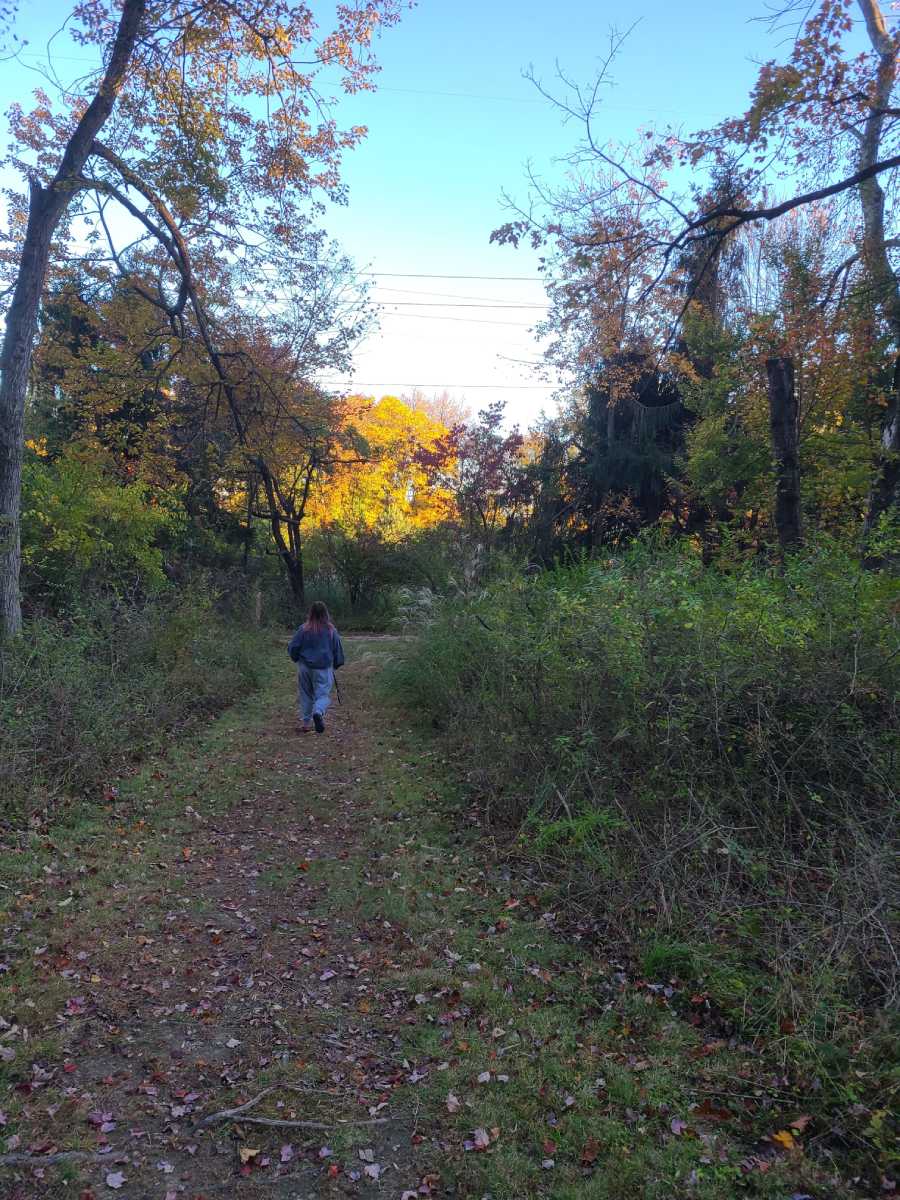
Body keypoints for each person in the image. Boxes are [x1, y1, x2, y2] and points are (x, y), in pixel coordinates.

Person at [287, 601, 345, 733]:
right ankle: (318, 712)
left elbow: (293, 647)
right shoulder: (331, 631)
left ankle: (306, 724)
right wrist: (336, 663)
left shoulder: (303, 629)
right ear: (326, 614)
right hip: (323, 669)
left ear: (311, 613)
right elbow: (337, 649)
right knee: (323, 695)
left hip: (304, 668)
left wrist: (295, 658)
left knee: (306, 694)